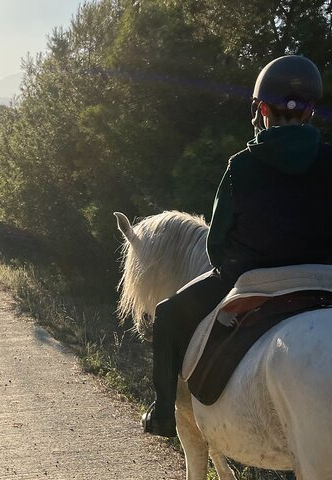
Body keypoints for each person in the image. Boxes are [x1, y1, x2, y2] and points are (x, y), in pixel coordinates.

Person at [142, 55, 332, 437]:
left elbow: (217, 243)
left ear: (261, 108)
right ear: (310, 111)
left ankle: (163, 412)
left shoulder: (241, 165)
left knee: (166, 315)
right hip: (326, 278)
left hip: (253, 280)